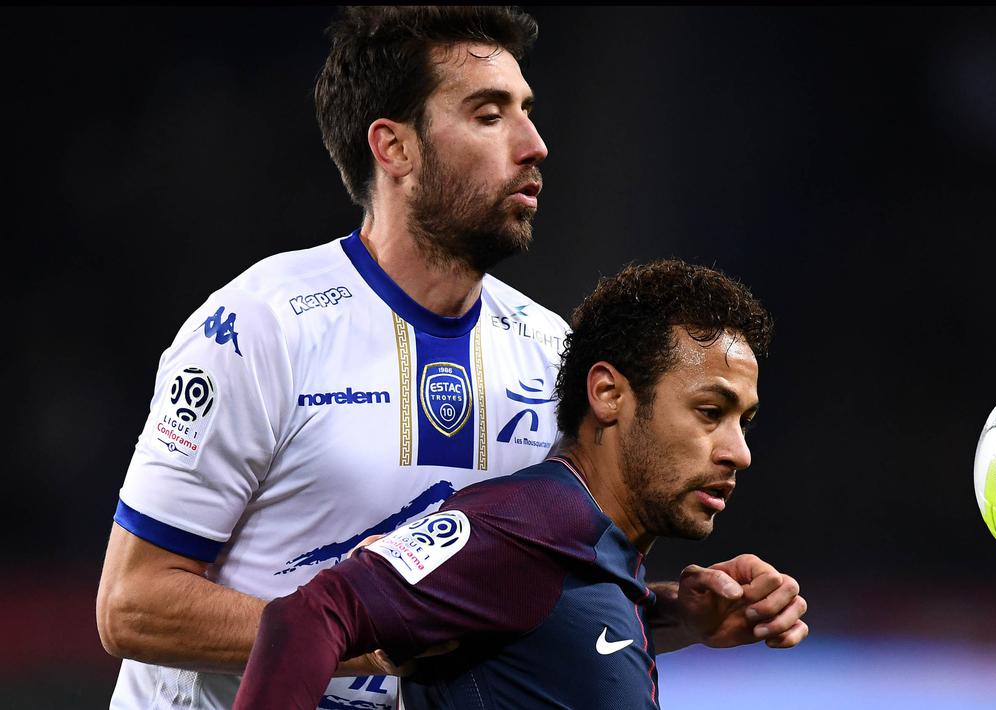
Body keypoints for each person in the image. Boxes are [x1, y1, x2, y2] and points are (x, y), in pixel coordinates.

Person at [96, 7, 806, 710]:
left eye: (527, 111)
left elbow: (516, 597)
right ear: (394, 148)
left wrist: (678, 618)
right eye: (489, 115)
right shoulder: (262, 327)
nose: (534, 144)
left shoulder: (551, 351)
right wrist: (371, 628)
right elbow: (131, 607)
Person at [234, 258, 804, 709]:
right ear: (608, 395)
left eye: (744, 423)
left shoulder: (591, 551)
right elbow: (309, 616)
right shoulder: (524, 522)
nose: (740, 453)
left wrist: (674, 615)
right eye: (710, 411)